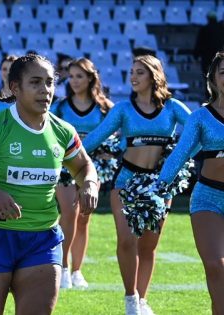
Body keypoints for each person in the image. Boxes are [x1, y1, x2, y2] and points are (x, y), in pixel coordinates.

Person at [0, 53, 98, 314]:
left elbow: (83, 166)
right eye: (35, 82)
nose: (45, 90)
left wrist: (90, 184)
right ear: (15, 87)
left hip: (43, 240)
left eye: (49, 82)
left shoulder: (63, 131)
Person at [82, 55, 191, 315]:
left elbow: (198, 131)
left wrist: (179, 158)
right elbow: (95, 138)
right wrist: (68, 156)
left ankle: (143, 299)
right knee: (127, 241)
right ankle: (130, 298)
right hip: (127, 181)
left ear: (154, 75)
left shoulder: (173, 108)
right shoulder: (122, 110)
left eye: (139, 73)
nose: (133, 77)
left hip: (160, 185)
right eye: (131, 72)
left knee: (148, 246)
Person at [155, 51, 224, 314]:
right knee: (216, 266)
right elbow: (180, 154)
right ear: (213, 80)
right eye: (223, 72)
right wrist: (159, 187)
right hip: (208, 198)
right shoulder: (201, 117)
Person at [50, 57, 114, 289]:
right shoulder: (59, 107)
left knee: (84, 218)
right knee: (69, 213)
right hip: (65, 168)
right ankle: (63, 268)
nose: (75, 81)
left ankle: (77, 270)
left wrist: (110, 151)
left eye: (80, 76)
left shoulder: (105, 108)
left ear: (90, 78)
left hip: (91, 169)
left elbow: (116, 136)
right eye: (72, 76)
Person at [194, 11, 224, 76]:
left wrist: (196, 55)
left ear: (208, 18)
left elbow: (199, 43)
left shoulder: (204, 29)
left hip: (206, 59)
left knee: (207, 77)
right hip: (218, 58)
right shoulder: (221, 30)